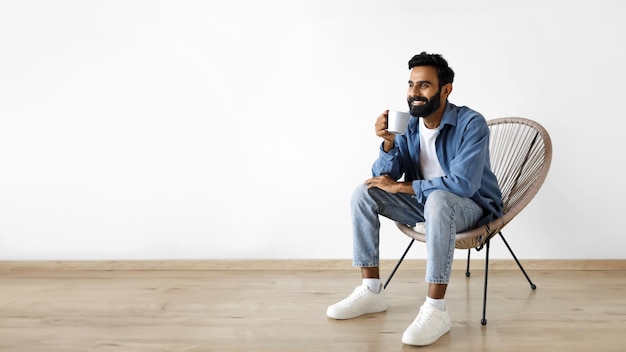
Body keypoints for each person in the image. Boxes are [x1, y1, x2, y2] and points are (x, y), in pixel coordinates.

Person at [326, 52, 503, 346]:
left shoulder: (471, 123)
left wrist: (405, 189)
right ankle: (371, 290)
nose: (414, 93)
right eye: (411, 85)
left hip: (472, 207)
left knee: (438, 200)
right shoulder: (409, 125)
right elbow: (383, 177)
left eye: (424, 85)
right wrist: (388, 141)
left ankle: (436, 309)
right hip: (426, 204)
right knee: (364, 192)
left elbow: (463, 184)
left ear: (445, 90)